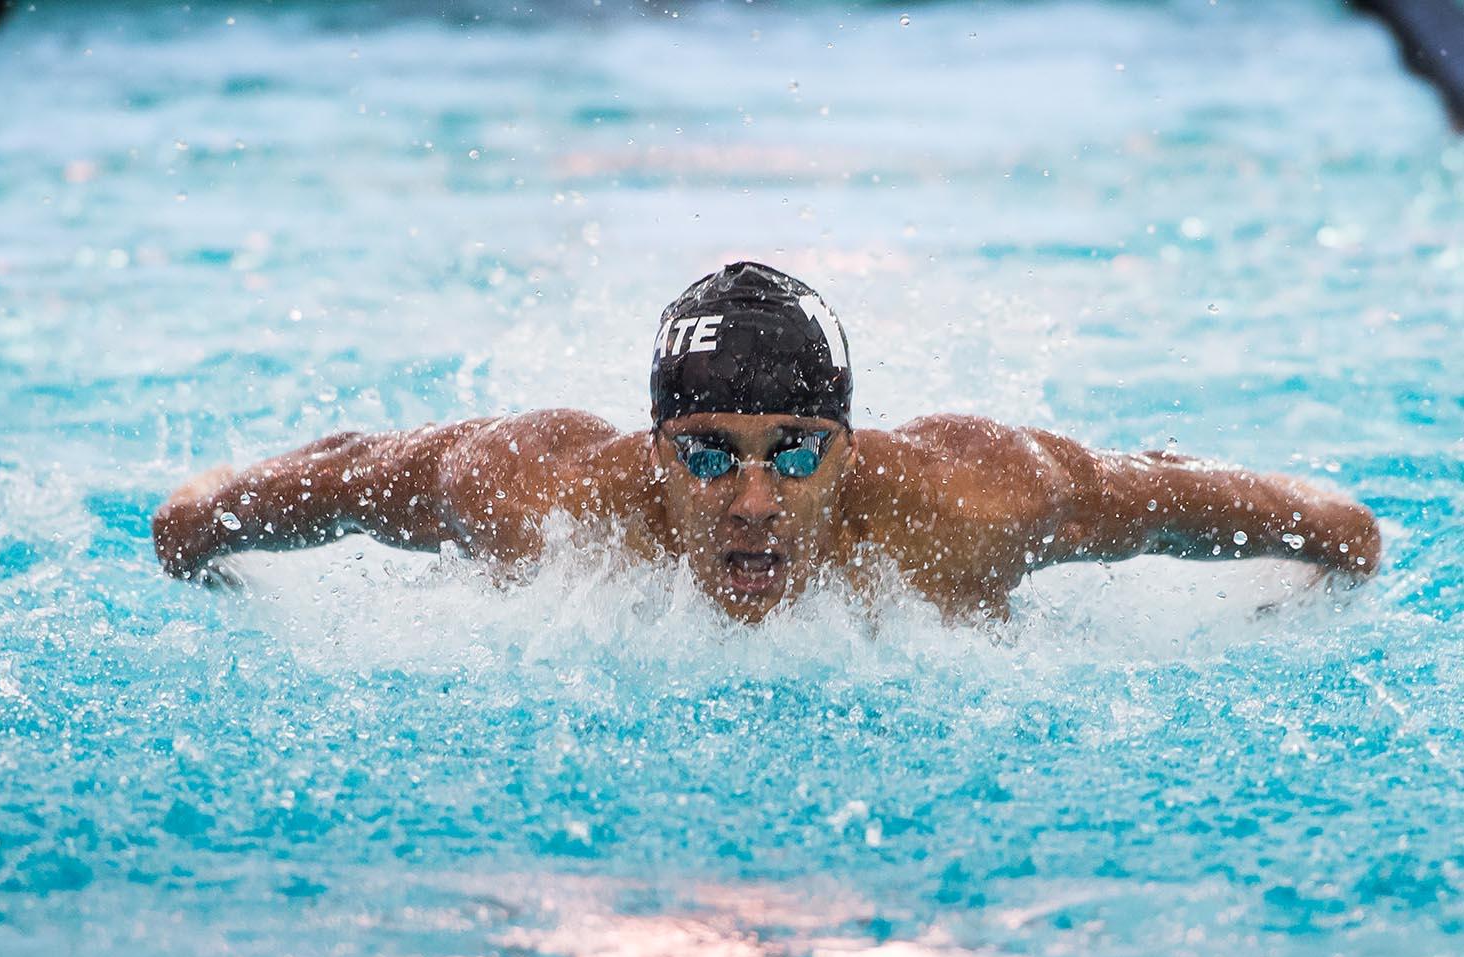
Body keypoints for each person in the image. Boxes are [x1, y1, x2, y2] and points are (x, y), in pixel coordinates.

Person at [153, 261, 1380, 623]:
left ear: (850, 447)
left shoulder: (977, 504)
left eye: (795, 451)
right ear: (651, 452)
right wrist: (204, 522)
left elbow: (1324, 524)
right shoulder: (540, 497)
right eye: (706, 453)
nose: (751, 499)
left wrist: (1335, 552)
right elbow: (297, 489)